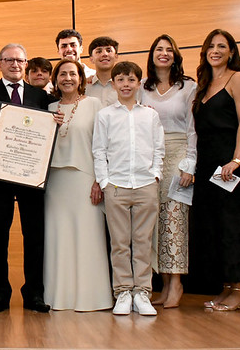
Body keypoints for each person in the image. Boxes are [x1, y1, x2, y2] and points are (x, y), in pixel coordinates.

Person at [0, 43, 58, 313]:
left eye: (20, 61)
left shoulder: (40, 96)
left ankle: (34, 294)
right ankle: (0, 295)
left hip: (32, 177)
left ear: (26, 64)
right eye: (9, 60)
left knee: (34, 236)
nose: (15, 65)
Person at [190, 29, 240, 312]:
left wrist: (236, 160)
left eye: (222, 46)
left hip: (230, 165)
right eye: (210, 46)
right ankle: (227, 287)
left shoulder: (237, 78)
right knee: (215, 228)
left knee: (234, 226)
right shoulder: (203, 85)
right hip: (207, 166)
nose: (215, 51)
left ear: (231, 52)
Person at [93, 61, 164, 316]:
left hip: (145, 184)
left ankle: (142, 291)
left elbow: (158, 149)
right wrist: (104, 182)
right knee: (120, 242)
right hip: (116, 186)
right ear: (113, 84)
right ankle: (123, 291)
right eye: (121, 80)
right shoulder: (105, 115)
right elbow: (99, 151)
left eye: (131, 80)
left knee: (143, 241)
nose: (126, 84)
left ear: (138, 83)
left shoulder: (150, 115)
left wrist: (155, 174)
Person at [44, 59, 111, 311]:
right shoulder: (49, 108)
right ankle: (58, 297)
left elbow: (103, 146)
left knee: (88, 238)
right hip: (55, 183)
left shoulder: (95, 105)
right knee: (58, 237)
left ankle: (92, 298)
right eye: (62, 74)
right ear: (56, 79)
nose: (68, 78)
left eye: (73, 74)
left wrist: (98, 180)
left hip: (85, 180)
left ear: (81, 78)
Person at [140, 34, 196, 308]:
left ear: (175, 55)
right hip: (150, 157)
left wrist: (190, 163)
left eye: (168, 50)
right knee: (154, 221)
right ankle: (162, 283)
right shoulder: (142, 87)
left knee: (174, 220)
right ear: (151, 55)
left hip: (178, 153)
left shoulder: (188, 87)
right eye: (158, 49)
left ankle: (177, 283)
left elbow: (193, 129)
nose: (163, 53)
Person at [86, 36, 120, 107]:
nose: (104, 54)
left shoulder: (125, 85)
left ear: (116, 56)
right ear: (91, 59)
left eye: (109, 50)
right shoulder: (84, 87)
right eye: (99, 51)